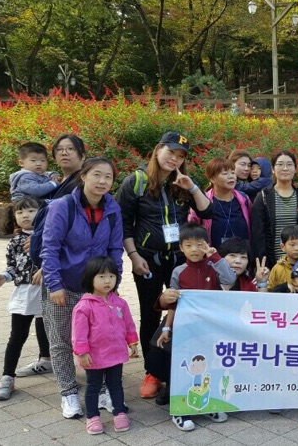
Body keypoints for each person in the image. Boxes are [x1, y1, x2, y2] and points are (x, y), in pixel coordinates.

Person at [116, 132, 213, 399]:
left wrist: (191, 187)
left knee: (180, 312)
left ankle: (177, 364)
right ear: (158, 149)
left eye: (180, 156)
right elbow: (123, 223)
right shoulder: (135, 182)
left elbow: (207, 211)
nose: (174, 159)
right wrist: (134, 256)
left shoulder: (182, 183)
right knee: (150, 313)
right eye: (171, 152)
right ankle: (152, 372)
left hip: (180, 259)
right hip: (148, 259)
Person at [40, 157, 123, 419]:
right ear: (83, 176)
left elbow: (115, 249)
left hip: (97, 291)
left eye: (108, 177)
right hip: (63, 285)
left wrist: (114, 283)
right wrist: (54, 284)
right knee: (62, 342)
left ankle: (101, 391)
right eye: (97, 174)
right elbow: (50, 248)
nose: (102, 181)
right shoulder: (63, 206)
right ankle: (68, 393)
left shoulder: (113, 209)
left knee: (99, 340)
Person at [148, 222, 235, 430]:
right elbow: (173, 303)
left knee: (209, 366)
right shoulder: (179, 271)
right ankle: (180, 411)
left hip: (209, 328)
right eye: (188, 245)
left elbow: (230, 279)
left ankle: (208, 405)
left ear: (207, 245)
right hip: (184, 328)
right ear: (181, 247)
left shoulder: (214, 266)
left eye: (199, 244)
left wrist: (216, 257)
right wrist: (167, 329)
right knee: (183, 366)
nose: (194, 249)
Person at [0, 197, 51, 401]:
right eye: (20, 212)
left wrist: (46, 268)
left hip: (49, 290)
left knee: (48, 329)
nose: (25, 215)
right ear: (14, 216)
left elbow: (57, 257)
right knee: (17, 334)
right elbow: (12, 266)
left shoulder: (50, 236)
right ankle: (7, 376)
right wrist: (4, 276)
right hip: (24, 293)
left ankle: (50, 363)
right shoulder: (15, 241)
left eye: (31, 211)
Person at [71, 257, 138, 435]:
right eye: (101, 276)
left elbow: (129, 324)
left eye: (111, 276)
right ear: (90, 278)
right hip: (94, 356)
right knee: (93, 387)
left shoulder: (120, 303)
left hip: (116, 354)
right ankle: (92, 417)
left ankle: (119, 412)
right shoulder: (84, 306)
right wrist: (82, 352)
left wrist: (132, 341)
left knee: (116, 385)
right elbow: (79, 333)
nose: (107, 281)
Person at [250, 150, 298, 268]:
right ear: (273, 169)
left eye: (289, 164)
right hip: (274, 263)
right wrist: (263, 265)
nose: (285, 168)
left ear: (295, 169)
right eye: (280, 164)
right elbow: (258, 235)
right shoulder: (264, 197)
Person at [189, 158, 251, 248]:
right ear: (212, 179)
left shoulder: (244, 199)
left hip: (242, 255)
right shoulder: (202, 202)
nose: (231, 176)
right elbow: (192, 230)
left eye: (233, 172)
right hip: (213, 255)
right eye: (225, 173)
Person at [48, 134, 87, 198]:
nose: (64, 153)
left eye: (70, 149)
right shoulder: (54, 179)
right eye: (59, 149)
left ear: (83, 156)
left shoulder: (85, 181)